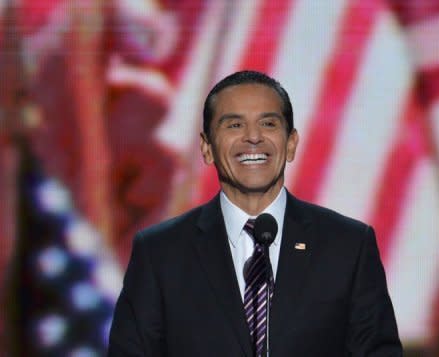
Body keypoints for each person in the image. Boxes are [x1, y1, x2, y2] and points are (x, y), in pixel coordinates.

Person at [108, 70, 402, 356]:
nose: (252, 138)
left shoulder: (349, 247)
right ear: (207, 147)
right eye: (234, 125)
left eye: (268, 124)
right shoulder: (159, 252)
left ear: (291, 143)